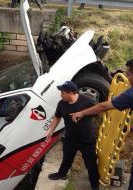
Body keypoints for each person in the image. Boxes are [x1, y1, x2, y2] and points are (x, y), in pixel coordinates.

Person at [71, 59, 133, 190]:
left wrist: (82, 113)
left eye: (129, 74)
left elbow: (104, 106)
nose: (127, 77)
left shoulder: (131, 94)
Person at [46, 81, 99, 190]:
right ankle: (61, 174)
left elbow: (100, 111)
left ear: (71, 93)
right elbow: (57, 117)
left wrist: (84, 114)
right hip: (70, 138)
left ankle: (95, 185)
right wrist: (51, 130)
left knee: (91, 164)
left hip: (87, 139)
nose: (61, 95)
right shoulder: (61, 103)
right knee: (67, 158)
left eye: (63, 93)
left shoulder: (87, 101)